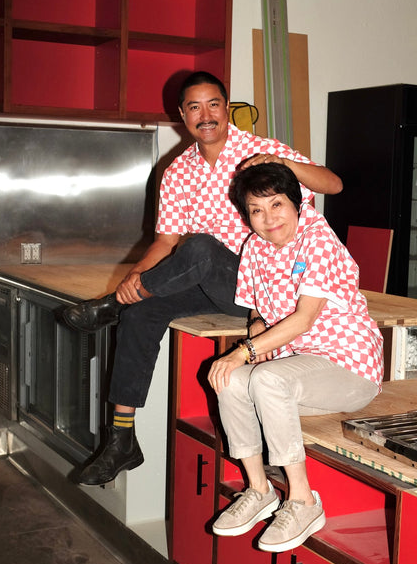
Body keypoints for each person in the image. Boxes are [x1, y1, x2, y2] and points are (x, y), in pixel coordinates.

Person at [60, 71, 343, 486]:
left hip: (265, 294)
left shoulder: (262, 151)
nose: (205, 115)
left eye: (213, 105)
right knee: (140, 312)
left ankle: (110, 309)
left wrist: (285, 164)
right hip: (212, 285)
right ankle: (121, 438)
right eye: (195, 107)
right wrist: (132, 280)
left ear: (226, 109)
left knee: (202, 247)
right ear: (182, 114)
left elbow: (333, 184)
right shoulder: (177, 172)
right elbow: (164, 241)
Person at [207, 161, 383, 553]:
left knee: (264, 377)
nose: (268, 219)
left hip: (348, 368)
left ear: (297, 203)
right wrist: (254, 338)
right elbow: (257, 313)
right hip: (299, 367)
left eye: (277, 205)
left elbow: (303, 320)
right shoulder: (253, 248)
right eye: (256, 210)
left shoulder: (318, 239)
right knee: (230, 379)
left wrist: (244, 351)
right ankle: (258, 489)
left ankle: (302, 500)